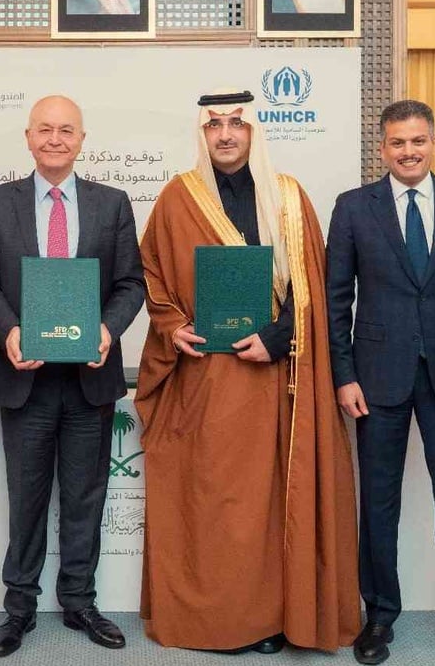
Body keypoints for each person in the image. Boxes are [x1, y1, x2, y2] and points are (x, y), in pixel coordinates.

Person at [135, 89, 362, 653]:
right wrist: (170, 326)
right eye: (214, 125)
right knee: (220, 503)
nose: (226, 134)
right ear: (202, 134)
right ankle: (224, 619)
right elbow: (150, 274)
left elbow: (316, 286)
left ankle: (274, 618)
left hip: (277, 378)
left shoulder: (288, 198)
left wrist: (277, 338)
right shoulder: (176, 198)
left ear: (254, 131)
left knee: (272, 501)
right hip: (207, 384)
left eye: (236, 123)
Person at [326, 100, 435, 666]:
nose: (409, 151)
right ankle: (379, 615)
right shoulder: (353, 209)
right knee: (378, 502)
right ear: (383, 148)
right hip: (376, 378)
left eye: (419, 141)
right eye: (398, 143)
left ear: (433, 143)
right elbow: (337, 302)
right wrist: (344, 376)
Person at [0, 95, 145, 657]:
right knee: (25, 498)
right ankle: (18, 608)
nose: (54, 139)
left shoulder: (112, 203)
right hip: (24, 377)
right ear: (27, 137)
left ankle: (79, 602)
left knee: (85, 496)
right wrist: (8, 330)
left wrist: (108, 330)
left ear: (81, 139)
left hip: (88, 379)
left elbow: (130, 285)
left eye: (66, 130)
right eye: (44, 129)